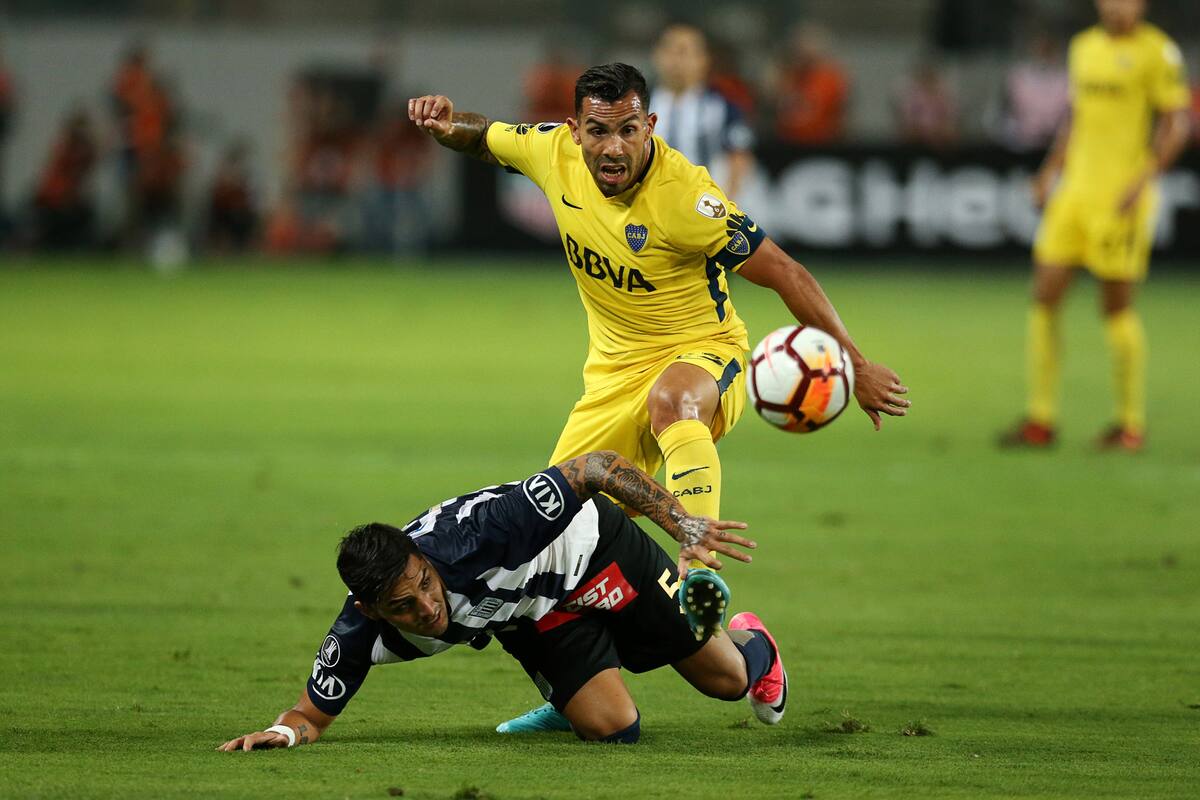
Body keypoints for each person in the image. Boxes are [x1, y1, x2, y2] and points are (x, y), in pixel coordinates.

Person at [408, 63, 907, 732]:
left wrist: (855, 361)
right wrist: (447, 123)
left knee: (671, 403)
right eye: (597, 132)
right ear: (574, 129)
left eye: (626, 131)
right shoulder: (552, 151)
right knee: (548, 541)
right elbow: (481, 136)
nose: (612, 148)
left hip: (705, 354)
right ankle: (584, 688)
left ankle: (698, 568)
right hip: (610, 376)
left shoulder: (688, 199)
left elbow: (784, 270)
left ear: (650, 126)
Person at [218, 450, 785, 749]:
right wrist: (285, 732)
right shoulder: (357, 634)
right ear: (370, 610)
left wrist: (682, 524)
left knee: (726, 682)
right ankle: (574, 695)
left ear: (422, 557)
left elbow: (597, 466)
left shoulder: (483, 532)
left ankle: (753, 640)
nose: (427, 608)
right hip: (530, 613)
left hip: (593, 551)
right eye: (404, 606)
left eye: (424, 582)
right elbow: (310, 715)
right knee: (615, 731)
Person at [1000, 0, 1190, 451]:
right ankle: (1041, 419)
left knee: (1115, 308)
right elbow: (1077, 118)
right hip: (1074, 194)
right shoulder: (1083, 47)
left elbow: (1176, 125)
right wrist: (1050, 171)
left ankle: (1129, 424)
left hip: (1120, 199)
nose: (1117, 8)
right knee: (1043, 295)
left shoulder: (1158, 52)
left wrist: (1143, 179)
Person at [651, 23, 755, 199]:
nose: (676, 60)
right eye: (669, 50)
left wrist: (725, 204)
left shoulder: (722, 106)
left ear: (703, 60)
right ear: (656, 56)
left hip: (702, 208)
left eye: (684, 52)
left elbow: (739, 157)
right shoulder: (637, 105)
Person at [772, 24, 849, 146]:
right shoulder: (785, 76)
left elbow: (842, 115)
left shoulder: (831, 79)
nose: (803, 51)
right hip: (786, 145)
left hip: (822, 145)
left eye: (808, 45)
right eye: (799, 47)